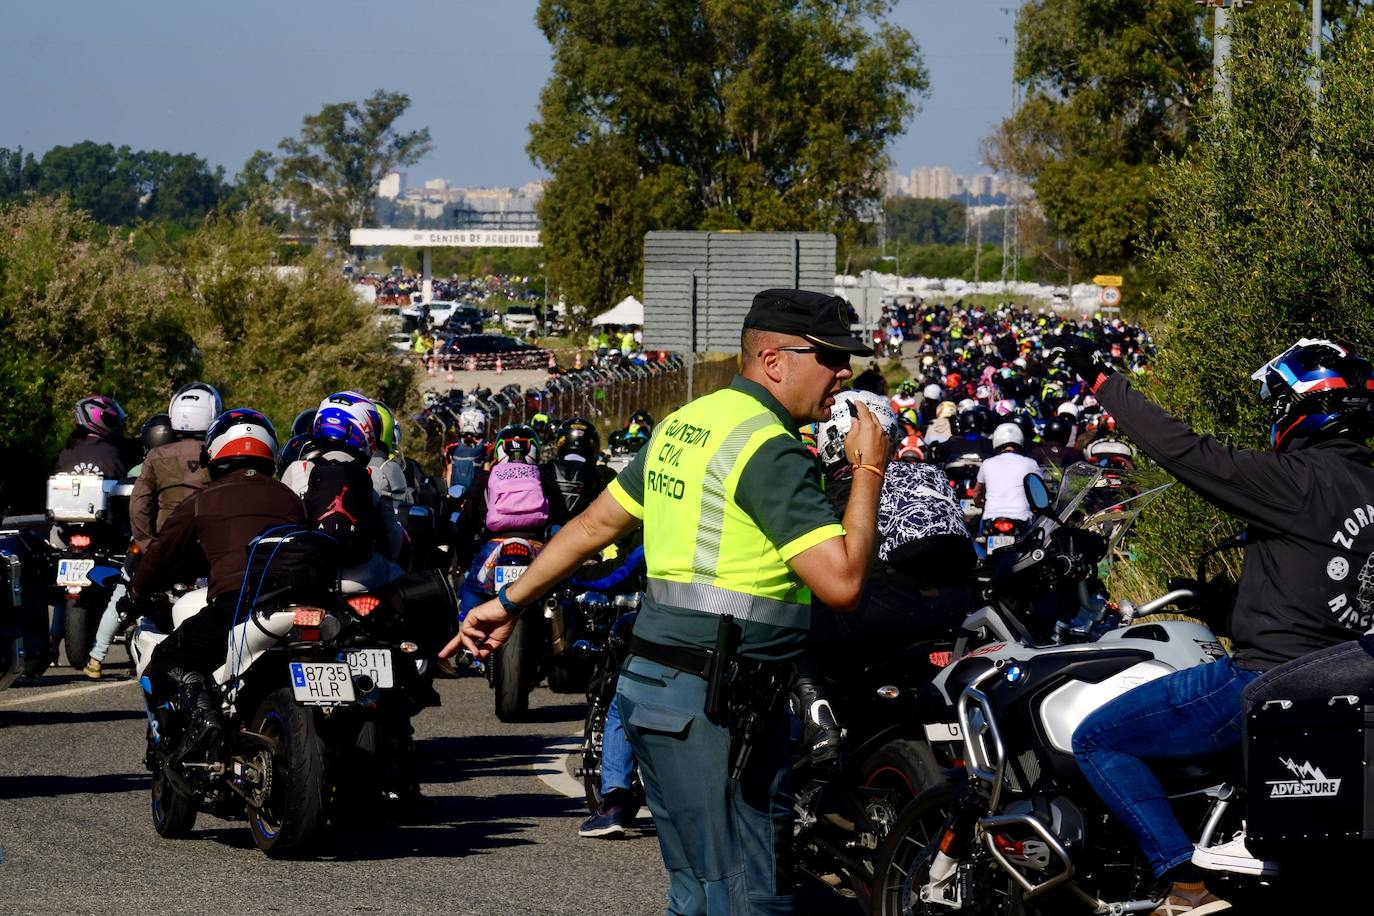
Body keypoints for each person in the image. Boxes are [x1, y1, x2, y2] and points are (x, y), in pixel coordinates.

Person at [443, 288, 891, 914]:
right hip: (720, 701)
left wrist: (508, 602)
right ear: (773, 359)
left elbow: (594, 527)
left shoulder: (687, 424)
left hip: (666, 692)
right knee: (741, 893)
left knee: (706, 886)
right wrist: (869, 471)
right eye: (829, 356)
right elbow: (841, 583)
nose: (843, 373)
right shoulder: (771, 449)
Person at [1050, 335, 1374, 916]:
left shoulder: (1299, 479)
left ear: (1300, 405)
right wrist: (1224, 605)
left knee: (1098, 738)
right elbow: (1329, 590)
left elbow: (1188, 452)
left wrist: (1105, 383)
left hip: (1262, 682)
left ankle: (1182, 879)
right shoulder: (1366, 487)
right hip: (1341, 683)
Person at [128, 409, 305, 761]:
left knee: (166, 658)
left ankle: (204, 718)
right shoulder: (290, 498)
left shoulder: (202, 500)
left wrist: (135, 593)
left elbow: (162, 555)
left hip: (237, 604)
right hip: (294, 602)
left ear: (216, 451)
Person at [129, 383, 220, 553]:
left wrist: (149, 547)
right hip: (210, 547)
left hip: (168, 546)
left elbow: (138, 507)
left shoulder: (156, 456)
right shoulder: (219, 455)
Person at [972, 422, 1040, 523]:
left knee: (977, 535)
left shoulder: (987, 463)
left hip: (991, 518)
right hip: (1022, 519)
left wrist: (978, 503)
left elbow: (977, 493)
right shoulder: (1031, 463)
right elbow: (1039, 494)